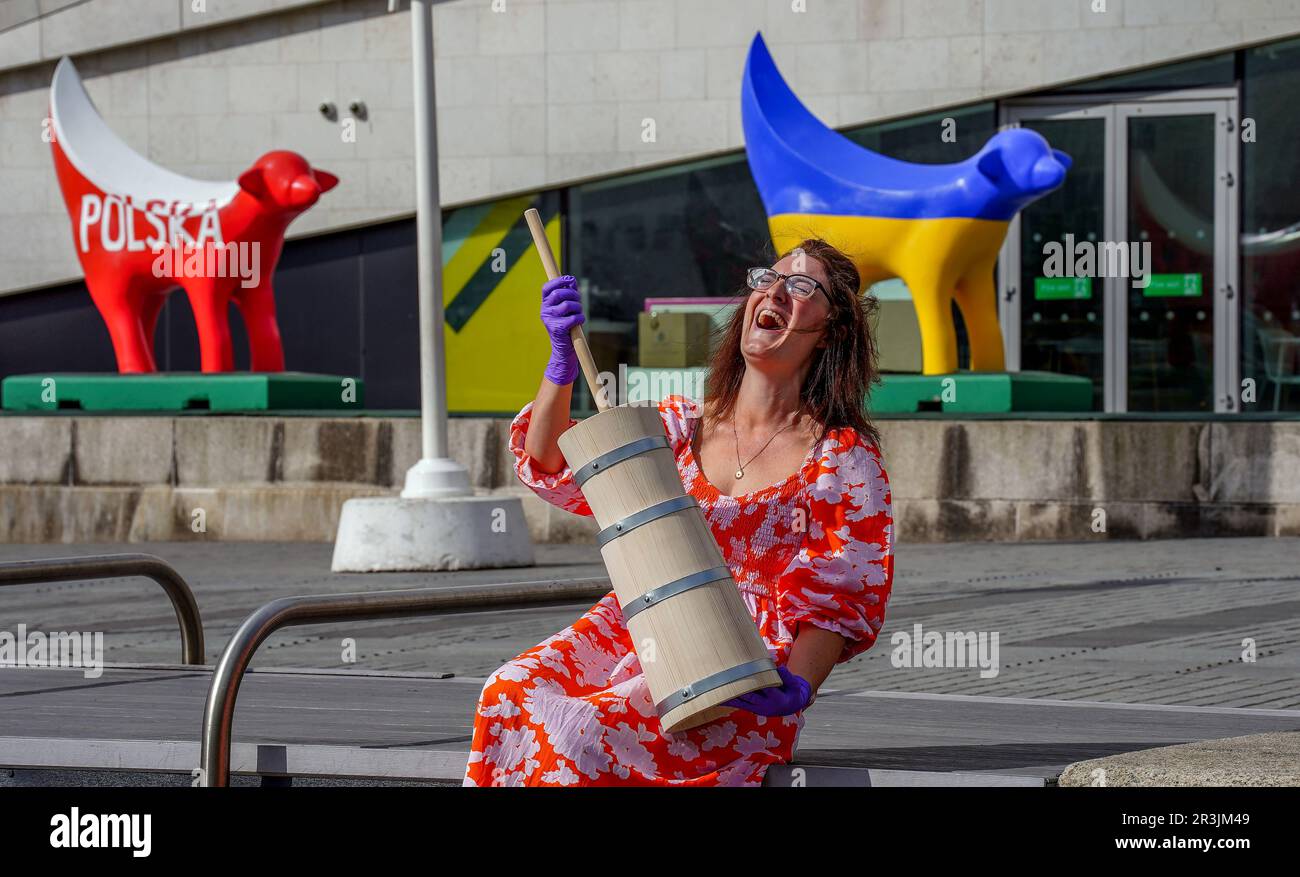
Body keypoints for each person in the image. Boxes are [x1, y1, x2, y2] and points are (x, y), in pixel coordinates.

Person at [463, 238, 894, 787]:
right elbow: (553, 464)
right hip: (638, 624)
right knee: (508, 691)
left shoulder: (841, 456)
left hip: (738, 667)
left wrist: (799, 686)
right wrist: (560, 368)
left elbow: (838, 597)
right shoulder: (675, 426)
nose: (777, 291)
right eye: (768, 278)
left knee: (582, 732)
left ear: (832, 329)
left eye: (803, 287)